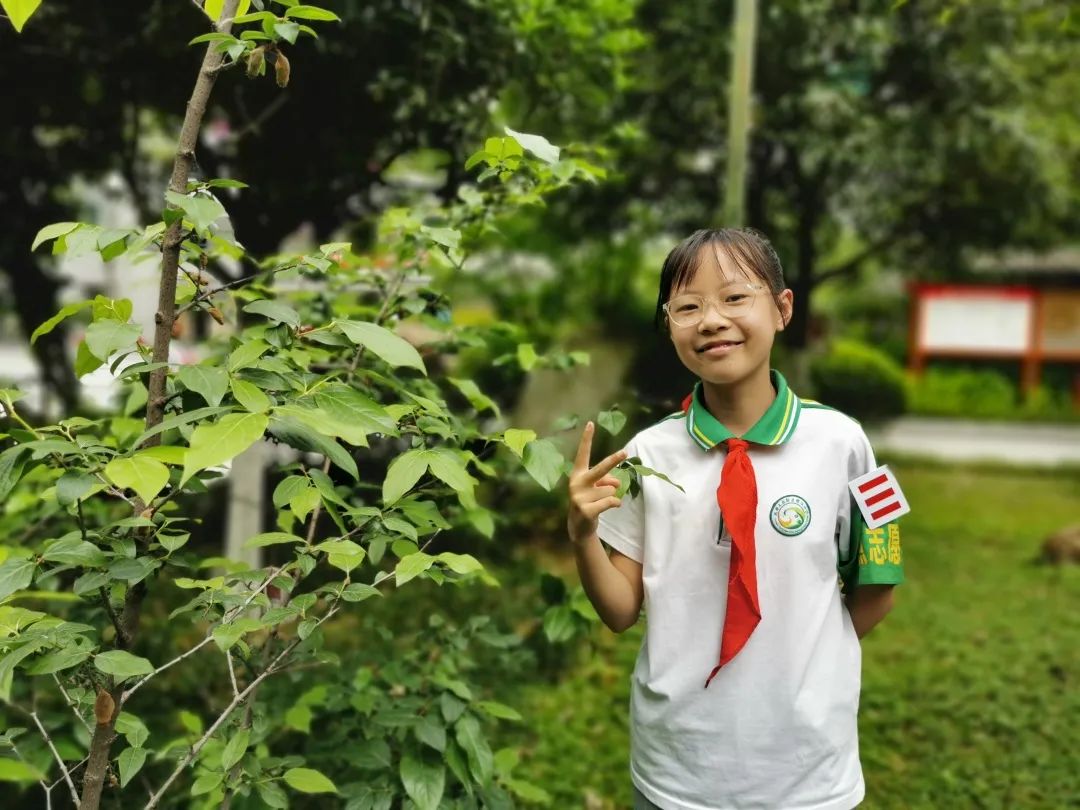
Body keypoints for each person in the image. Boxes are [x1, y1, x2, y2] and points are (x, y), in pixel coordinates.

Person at [566, 228, 905, 810]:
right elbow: (620, 610)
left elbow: (877, 587)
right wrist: (581, 534)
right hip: (678, 768)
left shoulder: (844, 442)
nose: (711, 319)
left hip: (806, 769)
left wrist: (803, 667)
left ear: (782, 308)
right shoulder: (648, 454)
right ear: (669, 326)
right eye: (687, 306)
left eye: (734, 297)